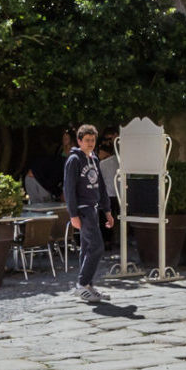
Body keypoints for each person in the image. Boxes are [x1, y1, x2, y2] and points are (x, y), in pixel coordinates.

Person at [65, 124, 114, 302]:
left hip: (93, 209)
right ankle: (81, 284)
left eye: (93, 140)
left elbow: (101, 186)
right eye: (87, 140)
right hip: (82, 210)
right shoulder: (74, 160)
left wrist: (107, 210)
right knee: (97, 247)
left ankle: (88, 286)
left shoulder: (94, 159)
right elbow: (69, 189)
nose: (90, 143)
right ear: (79, 141)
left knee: (87, 249)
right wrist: (73, 214)